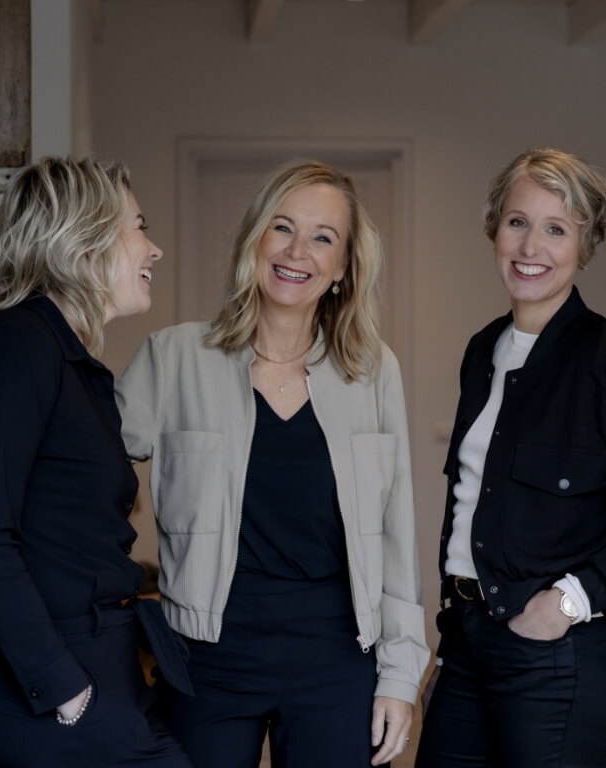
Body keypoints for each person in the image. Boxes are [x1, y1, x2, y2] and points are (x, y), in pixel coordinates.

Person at [116, 159, 429, 767]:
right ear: (254, 239)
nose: (297, 251)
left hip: (338, 655)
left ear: (344, 266)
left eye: (323, 237)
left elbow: (396, 534)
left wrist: (399, 675)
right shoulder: (174, 357)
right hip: (205, 655)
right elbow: (81, 473)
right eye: (282, 227)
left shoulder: (372, 370)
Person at [415, 148, 606, 768]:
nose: (531, 246)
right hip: (466, 641)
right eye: (517, 222)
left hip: (560, 655)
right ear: (495, 229)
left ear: (585, 245)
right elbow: (473, 508)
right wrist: (451, 642)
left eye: (556, 229)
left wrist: (566, 603)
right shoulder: (483, 351)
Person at [0, 156, 193, 767]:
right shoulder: (12, 348)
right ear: (83, 240)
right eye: (138, 227)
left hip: (88, 670)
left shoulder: (64, 362)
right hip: (28, 684)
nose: (154, 249)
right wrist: (65, 690)